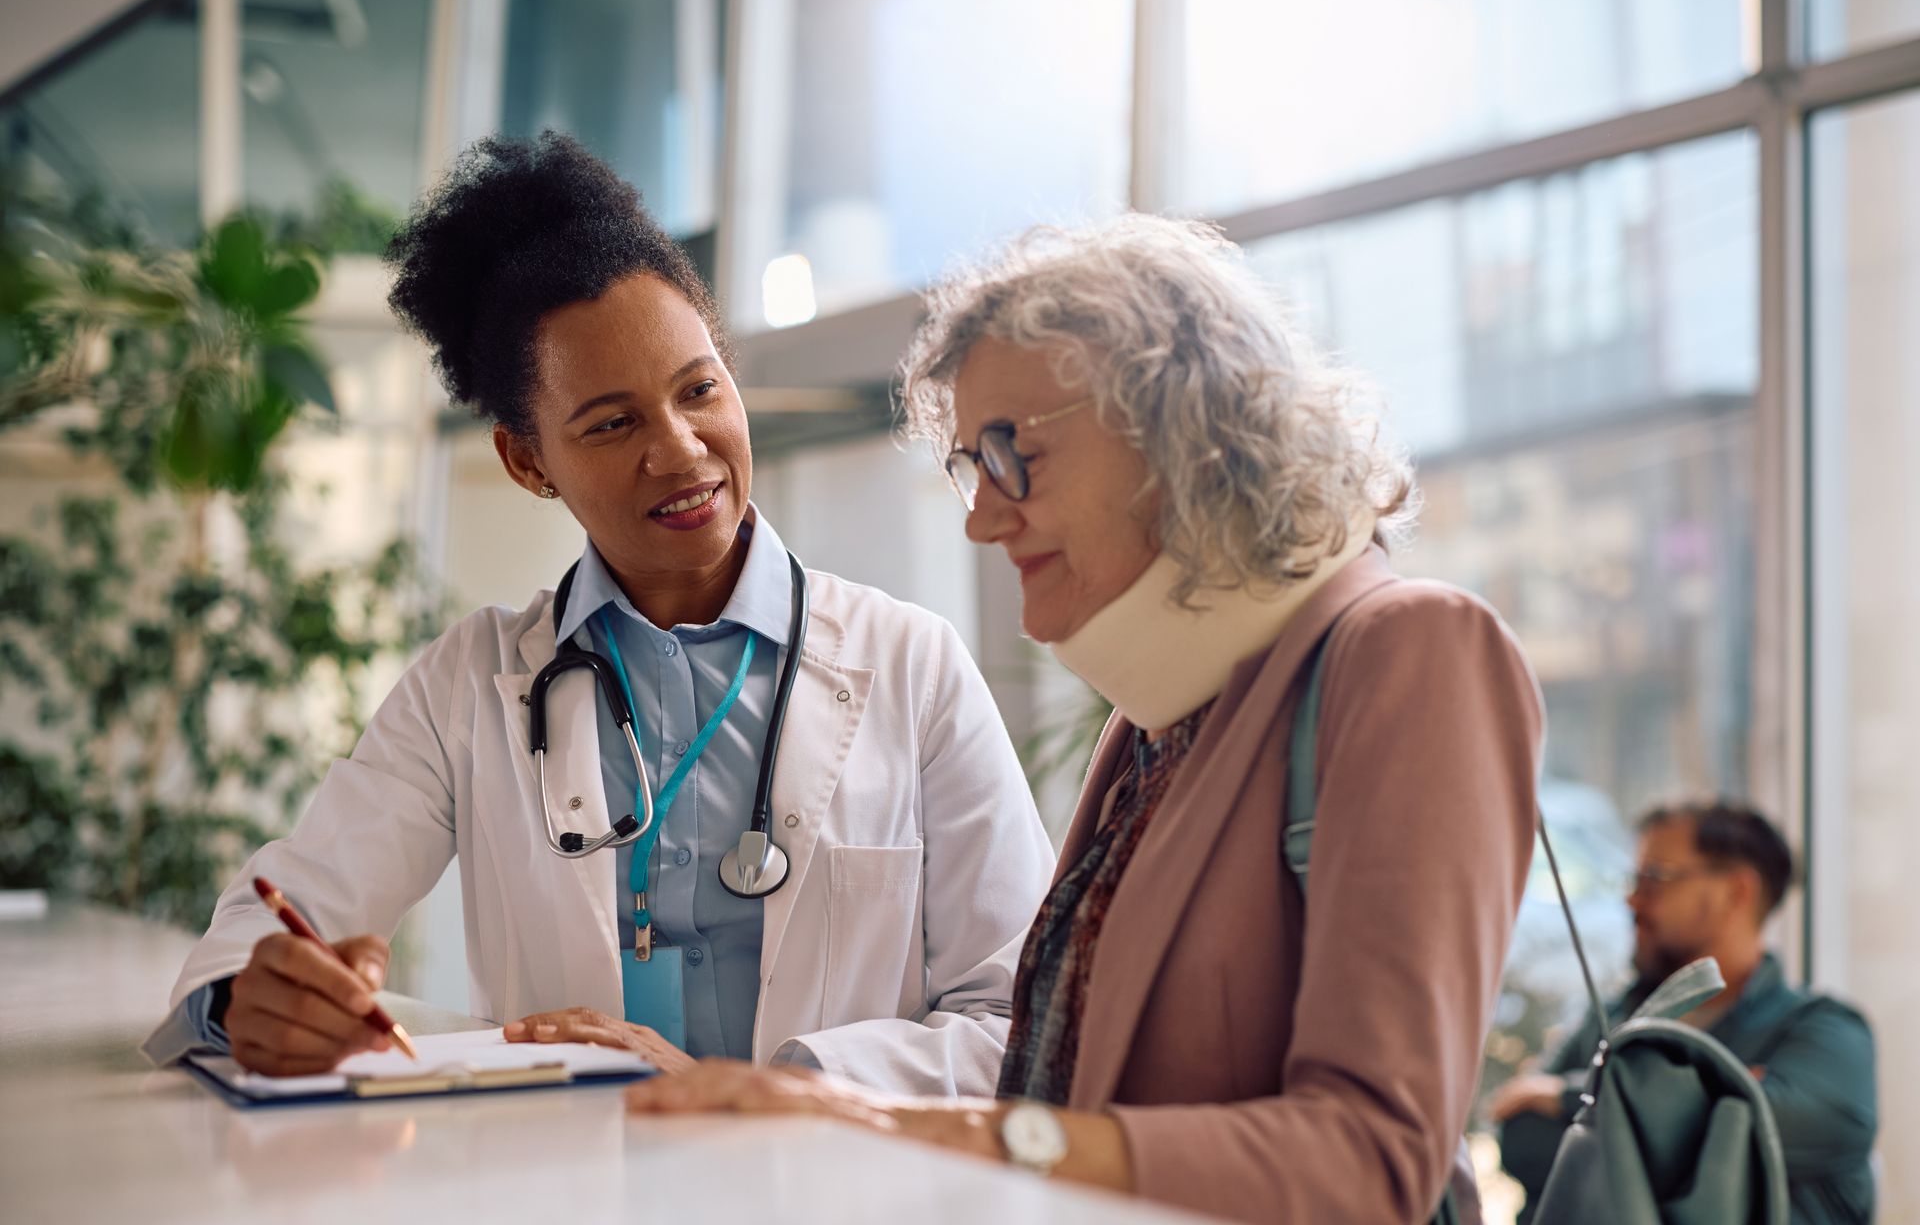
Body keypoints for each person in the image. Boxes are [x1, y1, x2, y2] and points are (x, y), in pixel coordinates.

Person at [613, 215, 1543, 1225]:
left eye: (1013, 451)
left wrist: (911, 1125)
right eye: (973, 463)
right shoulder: (1160, 712)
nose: (981, 516)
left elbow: (1371, 1160)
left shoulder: (1408, 649)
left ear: (1180, 424)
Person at [141, 132, 1055, 1094]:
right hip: (573, 1180)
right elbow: (281, 910)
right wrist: (257, 998)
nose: (680, 451)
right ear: (527, 461)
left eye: (700, 390)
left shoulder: (913, 665)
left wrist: (781, 1087)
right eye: (612, 423)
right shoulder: (469, 686)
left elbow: (1021, 1019)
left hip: (834, 1185)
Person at [1491, 800, 1878, 1225]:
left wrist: (1568, 1098)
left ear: (1736, 892)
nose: (1632, 899)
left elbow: (1780, 1122)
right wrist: (1712, 1114)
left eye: (1654, 878)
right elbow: (1524, 1136)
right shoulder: (1619, 1015)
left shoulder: (1826, 1033)